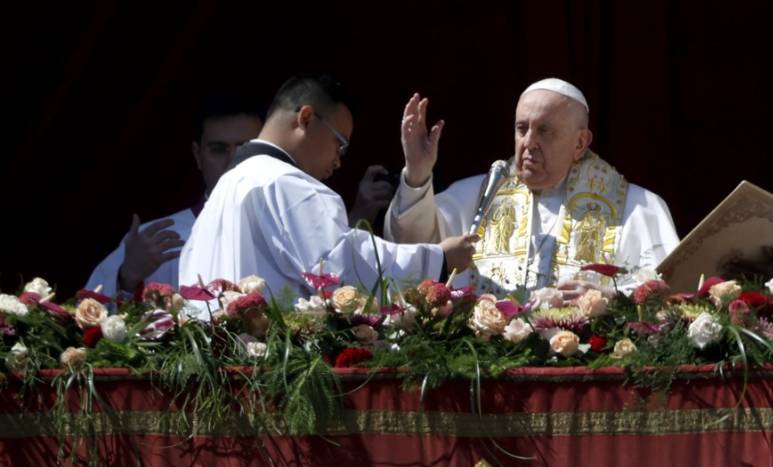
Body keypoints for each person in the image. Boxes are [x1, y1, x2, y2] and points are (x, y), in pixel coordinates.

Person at [178, 75, 476, 304]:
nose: (338, 161)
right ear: (305, 118)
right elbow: (340, 269)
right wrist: (437, 259)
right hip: (272, 374)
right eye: (340, 143)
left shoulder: (220, 195)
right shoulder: (287, 184)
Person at [384, 78, 678, 296]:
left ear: (580, 143)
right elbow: (410, 254)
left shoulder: (638, 208)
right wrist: (418, 174)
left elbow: (669, 289)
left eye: (545, 131)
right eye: (522, 128)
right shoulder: (474, 197)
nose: (528, 143)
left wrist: (609, 296)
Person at [85, 91, 263, 295]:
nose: (233, 162)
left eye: (245, 149)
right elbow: (89, 313)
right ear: (198, 155)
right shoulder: (154, 242)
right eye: (218, 149)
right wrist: (126, 277)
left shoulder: (287, 233)